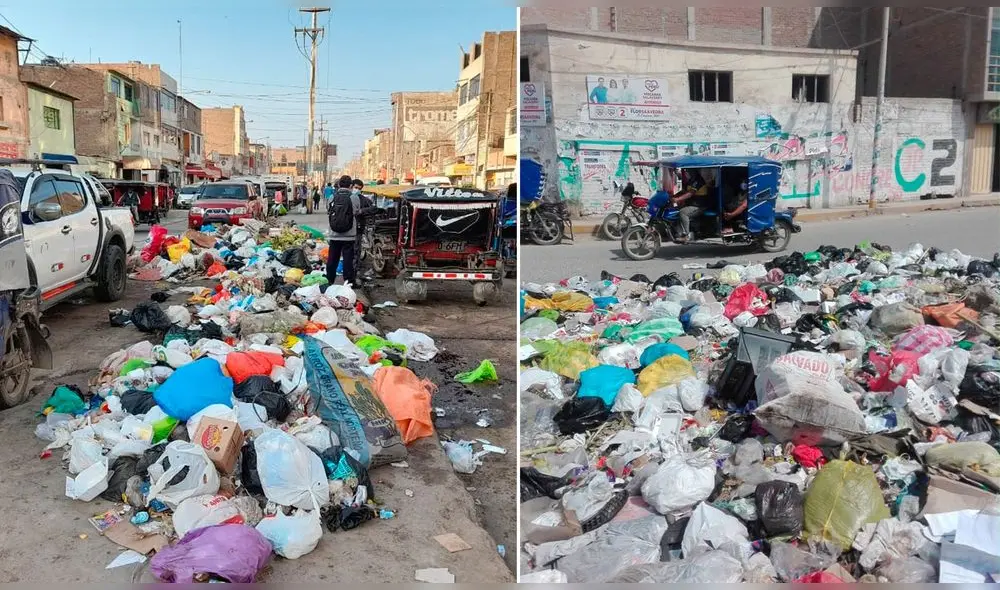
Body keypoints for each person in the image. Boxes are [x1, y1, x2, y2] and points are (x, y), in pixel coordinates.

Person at [326, 175, 361, 285]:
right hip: (349, 235)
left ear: (339, 185)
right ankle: (349, 281)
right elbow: (356, 211)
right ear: (350, 185)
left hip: (334, 234)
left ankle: (329, 280)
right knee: (348, 259)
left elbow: (329, 210)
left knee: (332, 258)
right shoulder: (354, 197)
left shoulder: (332, 197)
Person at [671, 170, 713, 243]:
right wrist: (673, 196)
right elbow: (684, 191)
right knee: (674, 211)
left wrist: (678, 199)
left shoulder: (698, 181)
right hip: (691, 205)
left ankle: (687, 236)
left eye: (688, 170)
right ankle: (678, 233)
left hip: (699, 206)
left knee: (683, 212)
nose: (687, 172)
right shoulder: (691, 180)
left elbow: (690, 193)